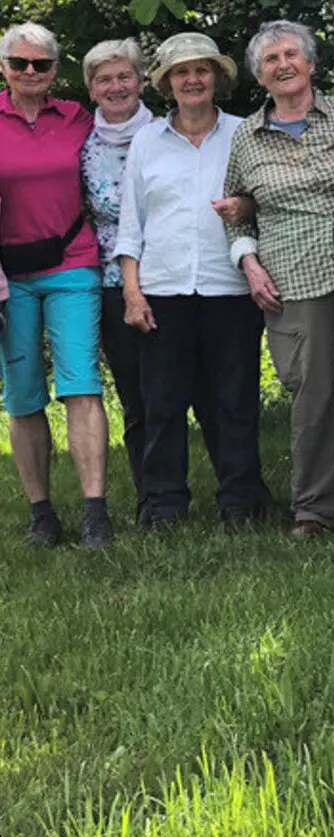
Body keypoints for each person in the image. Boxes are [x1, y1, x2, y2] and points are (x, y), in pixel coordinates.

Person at [218, 21, 334, 540]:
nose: (283, 65)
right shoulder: (246, 138)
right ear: (259, 76)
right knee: (310, 394)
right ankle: (315, 509)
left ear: (311, 64)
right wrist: (248, 262)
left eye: (291, 55)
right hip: (291, 278)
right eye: (270, 60)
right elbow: (235, 212)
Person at [115, 33, 267, 531]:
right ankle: (164, 505)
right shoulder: (147, 141)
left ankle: (241, 501)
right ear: (166, 83)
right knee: (162, 404)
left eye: (202, 70)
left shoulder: (244, 133)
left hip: (230, 289)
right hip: (163, 290)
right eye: (181, 72)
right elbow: (131, 223)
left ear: (217, 78)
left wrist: (246, 205)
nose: (193, 79)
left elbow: (263, 199)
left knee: (234, 402)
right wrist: (132, 292)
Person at [0, 23, 112, 549]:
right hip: (9, 276)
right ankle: (41, 513)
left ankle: (95, 512)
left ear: (54, 70)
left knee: (81, 383)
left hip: (72, 262)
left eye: (41, 64)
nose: (30, 72)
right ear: (4, 67)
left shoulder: (77, 119)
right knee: (23, 395)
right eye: (19, 63)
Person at [81, 37, 199, 522]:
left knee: (184, 393)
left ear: (141, 81)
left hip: (174, 278)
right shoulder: (81, 144)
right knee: (137, 397)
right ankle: (152, 497)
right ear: (91, 89)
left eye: (124, 76)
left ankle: (226, 493)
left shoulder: (167, 132)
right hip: (113, 283)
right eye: (104, 80)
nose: (116, 87)